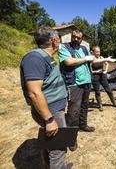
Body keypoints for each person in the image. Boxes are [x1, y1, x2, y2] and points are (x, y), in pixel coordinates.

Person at [20, 27, 72, 168]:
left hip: (54, 108)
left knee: (49, 143)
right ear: (54, 41)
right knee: (58, 148)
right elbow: (34, 92)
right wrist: (49, 119)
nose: (60, 42)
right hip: (51, 111)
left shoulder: (46, 56)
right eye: (59, 40)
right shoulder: (34, 58)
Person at [58, 29, 116, 134]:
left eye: (78, 38)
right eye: (74, 37)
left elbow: (93, 60)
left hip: (86, 82)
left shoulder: (84, 48)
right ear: (71, 36)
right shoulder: (64, 47)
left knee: (84, 106)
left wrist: (106, 59)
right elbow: (68, 61)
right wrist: (85, 59)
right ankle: (71, 136)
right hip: (74, 83)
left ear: (82, 39)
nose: (76, 39)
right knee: (73, 110)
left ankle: (83, 125)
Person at [90, 46, 116, 111]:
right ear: (93, 52)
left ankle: (114, 102)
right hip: (95, 77)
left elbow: (106, 64)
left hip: (102, 76)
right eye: (97, 52)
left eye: (99, 51)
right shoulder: (91, 59)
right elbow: (89, 70)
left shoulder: (101, 57)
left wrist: (106, 70)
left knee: (108, 90)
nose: (98, 53)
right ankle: (100, 105)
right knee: (97, 91)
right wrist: (96, 71)